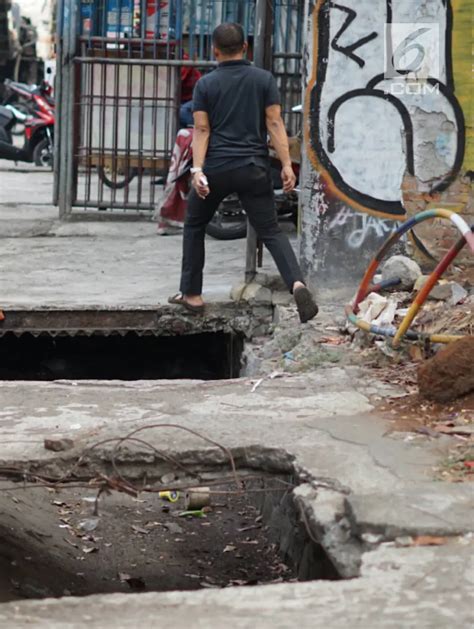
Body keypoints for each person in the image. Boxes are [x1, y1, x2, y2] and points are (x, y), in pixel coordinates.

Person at [169, 23, 318, 323]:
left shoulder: (205, 85)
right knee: (271, 230)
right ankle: (297, 284)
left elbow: (201, 129)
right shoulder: (263, 80)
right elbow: (275, 124)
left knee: (195, 224)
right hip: (253, 167)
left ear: (214, 50)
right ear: (245, 48)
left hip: (217, 168)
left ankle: (192, 295)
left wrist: (198, 170)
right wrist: (287, 165)